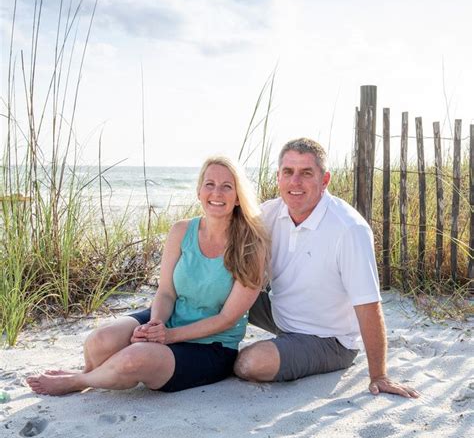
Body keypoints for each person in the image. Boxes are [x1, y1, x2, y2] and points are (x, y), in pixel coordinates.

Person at [27, 156, 269, 396]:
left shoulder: (251, 246)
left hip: (212, 345)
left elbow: (227, 319)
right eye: (210, 184)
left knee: (134, 358)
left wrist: (167, 337)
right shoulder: (181, 231)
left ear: (238, 197)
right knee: (99, 341)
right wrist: (156, 324)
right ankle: (92, 374)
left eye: (227, 186)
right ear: (199, 191)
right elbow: (166, 292)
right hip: (171, 319)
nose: (217, 193)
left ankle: (78, 381)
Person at [234, 138, 419, 398]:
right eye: (288, 172)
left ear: (325, 180)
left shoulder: (348, 229)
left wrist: (379, 375)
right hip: (280, 316)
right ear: (278, 177)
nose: (295, 182)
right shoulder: (269, 214)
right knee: (218, 288)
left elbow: (368, 304)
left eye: (306, 173)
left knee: (249, 363)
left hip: (328, 340)